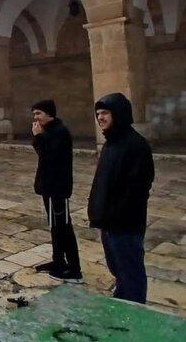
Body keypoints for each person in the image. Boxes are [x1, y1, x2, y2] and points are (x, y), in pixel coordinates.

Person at [88, 93, 154, 304]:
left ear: (119, 114)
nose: (100, 118)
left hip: (125, 225)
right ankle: (122, 300)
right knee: (118, 269)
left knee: (131, 272)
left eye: (105, 113)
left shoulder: (136, 145)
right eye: (98, 114)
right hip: (108, 223)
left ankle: (135, 311)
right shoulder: (111, 143)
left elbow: (138, 189)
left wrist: (115, 215)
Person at [30, 100, 82, 284]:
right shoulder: (51, 131)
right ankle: (58, 261)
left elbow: (48, 155)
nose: (35, 117)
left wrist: (37, 137)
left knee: (63, 227)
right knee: (55, 226)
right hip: (50, 187)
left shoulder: (59, 132)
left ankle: (75, 269)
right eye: (34, 114)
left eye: (38, 113)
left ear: (49, 114)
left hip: (57, 188)